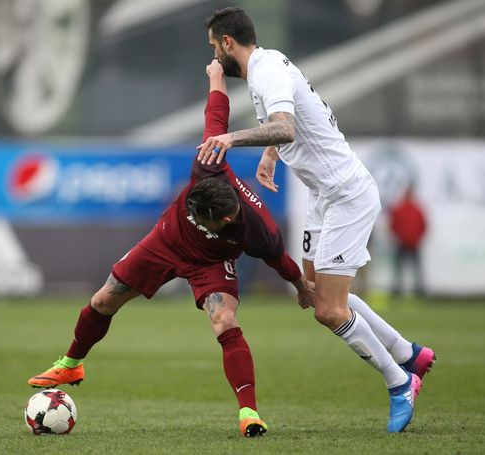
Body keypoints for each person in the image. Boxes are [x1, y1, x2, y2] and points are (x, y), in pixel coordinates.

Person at [28, 60, 314, 438]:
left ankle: (249, 412)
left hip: (210, 262)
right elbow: (216, 114)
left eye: (201, 217)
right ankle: (72, 363)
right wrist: (215, 77)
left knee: (226, 322)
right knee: (102, 301)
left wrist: (302, 286)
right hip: (164, 241)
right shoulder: (208, 163)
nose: (194, 212)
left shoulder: (258, 229)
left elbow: (281, 261)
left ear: (225, 221)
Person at [197, 7, 435, 433]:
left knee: (328, 308)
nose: (214, 57)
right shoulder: (268, 67)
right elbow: (299, 120)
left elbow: (285, 127)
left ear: (228, 43)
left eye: (215, 47)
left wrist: (232, 138)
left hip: (346, 193)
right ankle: (408, 352)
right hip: (324, 196)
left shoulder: (266, 71)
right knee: (313, 293)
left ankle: (400, 382)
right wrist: (271, 154)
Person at [389, 185, 427, 298]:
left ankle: (418, 290)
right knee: (401, 269)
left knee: (413, 269)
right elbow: (393, 225)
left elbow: (423, 225)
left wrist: (417, 237)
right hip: (403, 242)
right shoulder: (406, 208)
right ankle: (399, 290)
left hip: (412, 243)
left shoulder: (414, 209)